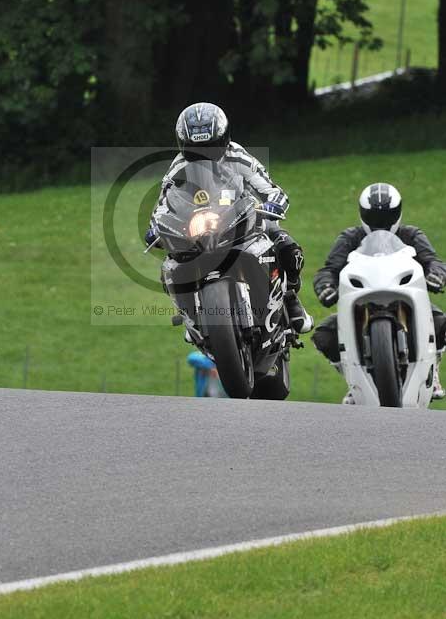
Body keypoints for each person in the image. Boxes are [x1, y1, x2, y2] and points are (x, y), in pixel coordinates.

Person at [145, 102, 313, 334]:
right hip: (200, 228)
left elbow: (270, 189)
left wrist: (272, 203)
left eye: (211, 147)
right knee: (170, 267)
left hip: (243, 216)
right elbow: (163, 206)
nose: (204, 155)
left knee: (286, 247)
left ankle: (290, 296)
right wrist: (155, 228)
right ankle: (190, 317)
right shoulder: (177, 169)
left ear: (224, 139)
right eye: (196, 150)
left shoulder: (239, 157)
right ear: (183, 145)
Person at [312, 182, 446, 403]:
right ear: (363, 214)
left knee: (440, 321)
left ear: (398, 213)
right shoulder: (349, 238)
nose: (381, 224)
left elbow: (433, 261)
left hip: (402, 294)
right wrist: (325, 286)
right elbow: (329, 270)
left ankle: (435, 371)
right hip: (364, 297)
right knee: (325, 335)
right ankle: (354, 380)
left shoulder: (411, 234)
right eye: (374, 217)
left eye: (387, 217)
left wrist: (436, 275)